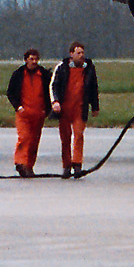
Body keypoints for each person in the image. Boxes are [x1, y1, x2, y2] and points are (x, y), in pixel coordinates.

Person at [50, 42, 99, 178]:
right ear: (71, 54)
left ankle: (77, 164)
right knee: (65, 138)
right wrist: (55, 102)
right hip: (65, 108)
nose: (81, 55)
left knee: (78, 136)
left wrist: (95, 107)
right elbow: (54, 85)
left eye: (82, 52)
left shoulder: (89, 68)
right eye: (78, 53)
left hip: (80, 107)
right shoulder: (62, 67)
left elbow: (94, 88)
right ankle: (66, 166)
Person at [6, 49, 51, 177]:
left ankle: (29, 166)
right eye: (31, 59)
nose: (34, 62)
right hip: (23, 113)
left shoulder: (44, 74)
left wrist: (46, 110)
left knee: (34, 141)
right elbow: (10, 92)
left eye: (36, 59)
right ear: (26, 60)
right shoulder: (18, 74)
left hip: (39, 113)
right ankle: (20, 163)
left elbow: (50, 92)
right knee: (24, 138)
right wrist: (18, 107)